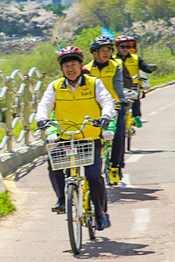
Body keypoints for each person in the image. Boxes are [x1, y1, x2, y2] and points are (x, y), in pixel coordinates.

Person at [35, 46, 117, 230]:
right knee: (53, 164)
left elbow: (107, 101)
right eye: (66, 66)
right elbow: (44, 104)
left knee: (94, 176)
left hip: (89, 137)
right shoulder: (55, 86)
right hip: (66, 137)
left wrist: (105, 116)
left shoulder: (94, 83)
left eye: (73, 64)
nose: (70, 69)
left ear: (81, 65)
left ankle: (101, 213)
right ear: (61, 69)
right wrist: (41, 119)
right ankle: (62, 199)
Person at [84, 36, 130, 181]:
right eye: (102, 50)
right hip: (95, 107)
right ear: (94, 53)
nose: (106, 53)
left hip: (114, 104)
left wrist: (122, 100)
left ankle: (116, 166)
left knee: (119, 135)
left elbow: (117, 84)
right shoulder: (86, 69)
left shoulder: (115, 65)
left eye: (108, 50)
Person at [116, 34, 155, 127]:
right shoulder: (112, 60)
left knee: (135, 101)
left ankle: (136, 117)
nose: (125, 49)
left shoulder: (136, 59)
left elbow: (144, 67)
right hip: (118, 86)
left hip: (134, 85)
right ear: (117, 47)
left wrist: (150, 68)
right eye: (122, 47)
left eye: (128, 47)